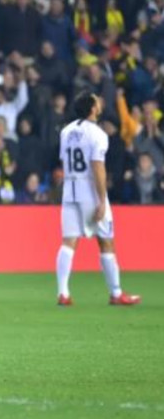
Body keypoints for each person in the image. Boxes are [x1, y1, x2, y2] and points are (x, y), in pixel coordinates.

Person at [56, 92, 141, 306]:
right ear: (93, 109)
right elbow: (97, 167)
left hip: (69, 189)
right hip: (89, 190)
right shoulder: (98, 134)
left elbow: (64, 161)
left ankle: (63, 293)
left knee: (68, 241)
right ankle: (116, 293)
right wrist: (102, 200)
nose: (100, 103)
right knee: (106, 240)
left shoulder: (66, 131)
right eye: (97, 101)